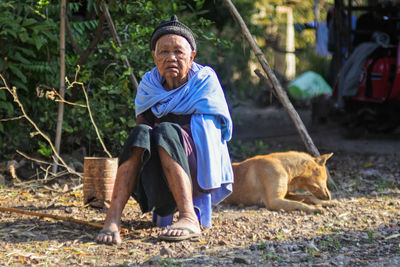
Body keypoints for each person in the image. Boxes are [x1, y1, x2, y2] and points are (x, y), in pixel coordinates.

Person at [96, 15, 233, 244]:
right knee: (140, 134)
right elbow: (144, 130)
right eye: (164, 52)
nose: (171, 57)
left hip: (196, 164)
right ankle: (112, 218)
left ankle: (189, 216)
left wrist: (169, 131)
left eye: (179, 52)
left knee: (167, 131)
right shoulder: (149, 85)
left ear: (192, 57)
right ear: (154, 57)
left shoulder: (203, 81)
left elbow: (212, 136)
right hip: (157, 168)